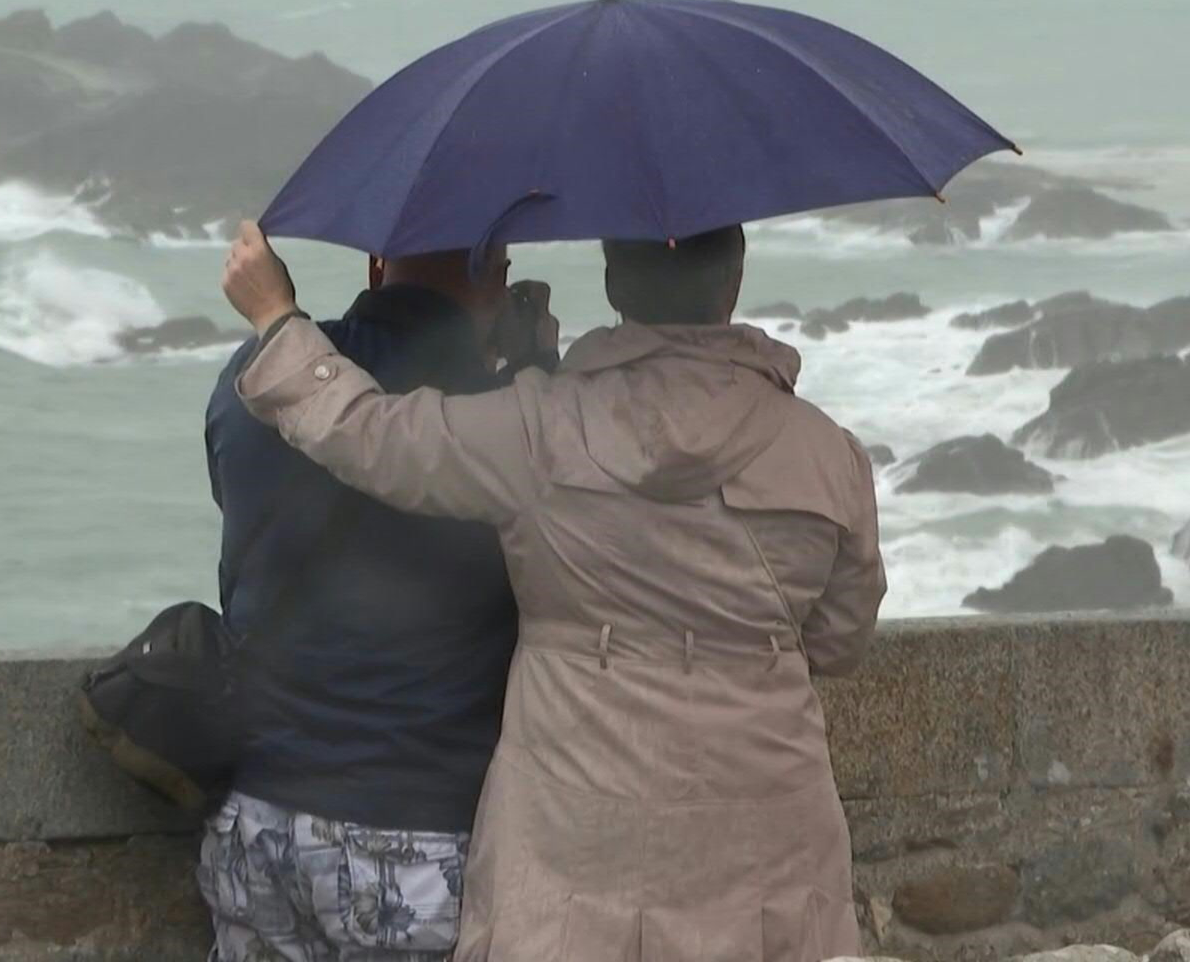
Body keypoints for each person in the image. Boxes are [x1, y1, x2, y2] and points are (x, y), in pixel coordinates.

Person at [222, 219, 886, 962]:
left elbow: (370, 434)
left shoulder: (542, 427)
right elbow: (839, 638)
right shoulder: (831, 453)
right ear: (732, 284)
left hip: (578, 826)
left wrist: (277, 320)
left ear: (612, 283)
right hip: (772, 832)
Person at [198, 244, 558, 962]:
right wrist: (539, 375)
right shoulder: (503, 423)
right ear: (494, 275)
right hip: (417, 837)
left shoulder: (251, 378)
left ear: (375, 265)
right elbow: (552, 559)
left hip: (258, 817)